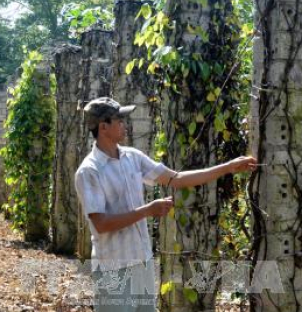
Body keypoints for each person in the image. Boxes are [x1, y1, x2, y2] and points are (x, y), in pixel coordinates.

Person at [74, 97, 257, 312]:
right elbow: (101, 224)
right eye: (119, 120)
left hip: (142, 262)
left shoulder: (132, 157)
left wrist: (228, 167)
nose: (125, 124)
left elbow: (176, 179)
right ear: (103, 127)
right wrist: (148, 211)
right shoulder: (90, 171)